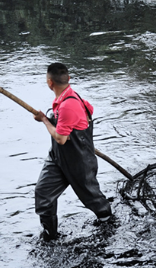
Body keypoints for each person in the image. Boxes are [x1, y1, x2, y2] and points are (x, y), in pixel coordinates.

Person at [33, 62, 112, 241]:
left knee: (92, 198)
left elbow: (61, 138)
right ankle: (50, 236)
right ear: (68, 79)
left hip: (79, 160)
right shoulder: (62, 101)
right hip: (57, 158)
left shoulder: (70, 104)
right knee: (43, 193)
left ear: (49, 83)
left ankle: (108, 222)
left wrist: (44, 120)